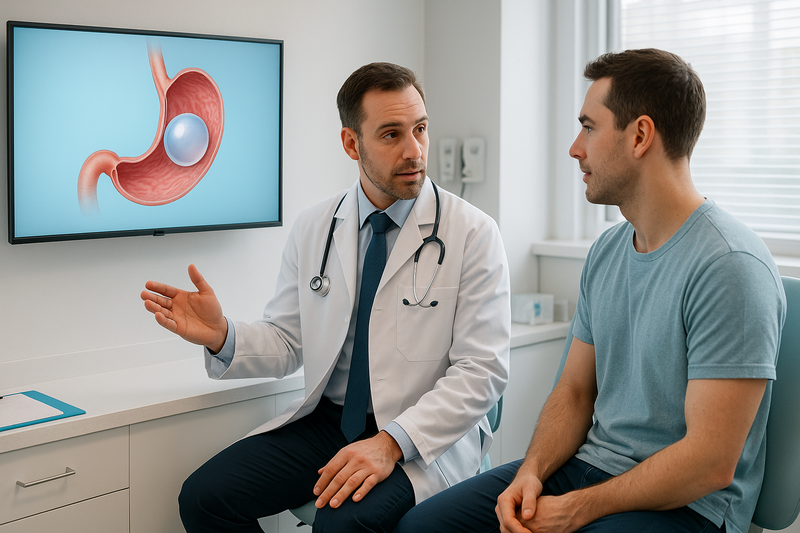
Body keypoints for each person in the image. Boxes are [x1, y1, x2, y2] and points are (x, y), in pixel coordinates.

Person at [395, 48, 786, 533]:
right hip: (589, 471)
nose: (575, 148)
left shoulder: (730, 266)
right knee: (421, 529)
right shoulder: (607, 252)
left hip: (689, 507)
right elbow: (575, 393)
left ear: (640, 135)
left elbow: (710, 462)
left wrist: (580, 509)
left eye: (589, 127)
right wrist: (531, 472)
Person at [140, 61, 510, 533]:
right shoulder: (316, 226)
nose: (414, 150)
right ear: (351, 143)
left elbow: (483, 372)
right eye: (391, 135)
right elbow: (290, 341)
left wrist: (392, 443)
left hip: (419, 436)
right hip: (330, 424)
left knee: (340, 525)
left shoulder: (473, 233)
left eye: (420, 129)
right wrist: (222, 335)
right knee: (205, 498)